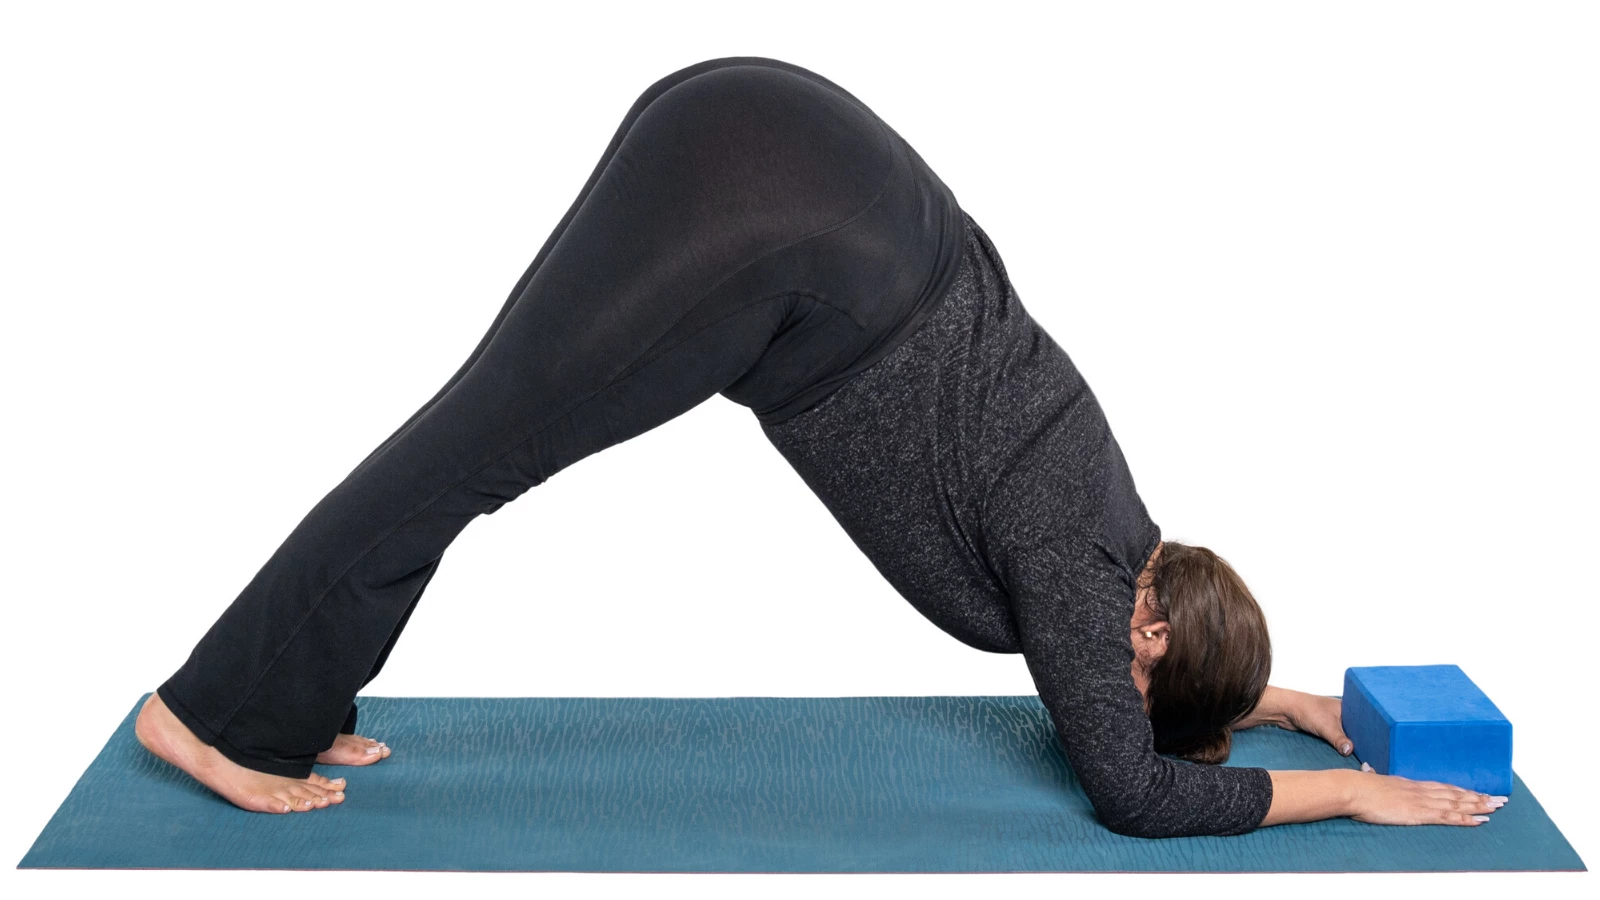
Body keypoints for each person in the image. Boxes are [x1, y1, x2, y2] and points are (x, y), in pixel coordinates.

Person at [133, 56, 1506, 836]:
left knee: (478, 439)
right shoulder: (1082, 578)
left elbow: (1135, 690)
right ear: (1149, 645)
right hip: (783, 241)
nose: (1106, 682)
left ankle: (290, 689)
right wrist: (1343, 795)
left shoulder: (1125, 529)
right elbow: (1135, 795)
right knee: (470, 449)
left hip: (801, 161)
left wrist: (1284, 702)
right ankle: (206, 717)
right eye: (1145, 681)